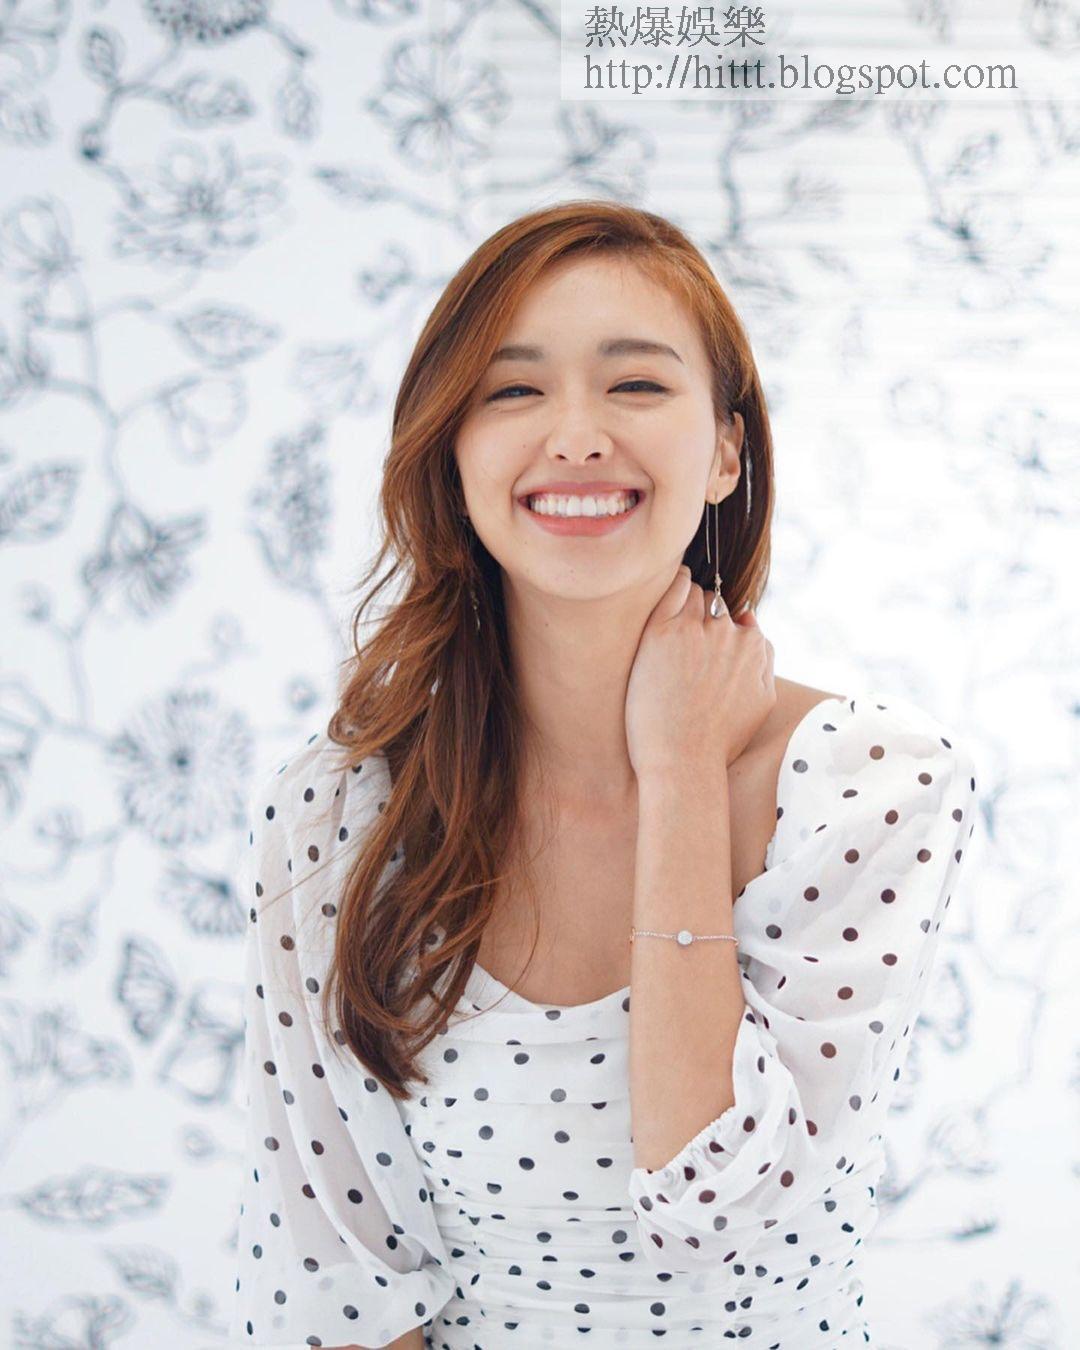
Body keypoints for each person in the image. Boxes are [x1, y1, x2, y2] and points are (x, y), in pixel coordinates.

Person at [229, 200, 979, 1349]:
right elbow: (334, 1277)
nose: (576, 435)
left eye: (635, 384)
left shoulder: (873, 784)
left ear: (726, 451)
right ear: (452, 451)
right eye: (512, 391)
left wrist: (678, 772)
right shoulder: (342, 810)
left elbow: (724, 1213)